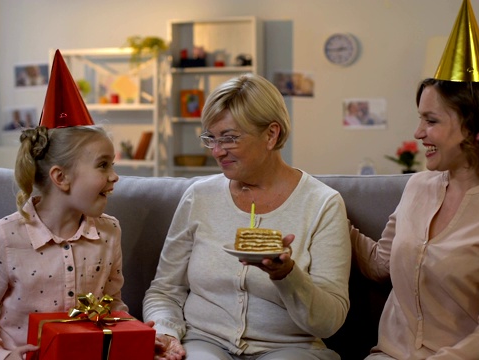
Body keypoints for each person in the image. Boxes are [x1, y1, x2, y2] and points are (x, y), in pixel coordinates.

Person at [350, 1, 479, 359]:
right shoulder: (417, 186)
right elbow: (380, 264)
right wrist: (323, 210)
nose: (418, 132)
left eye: (431, 121)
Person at [143, 73, 351, 360]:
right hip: (205, 342)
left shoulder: (322, 204)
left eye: (229, 138)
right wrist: (165, 331)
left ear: (271, 134)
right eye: (211, 138)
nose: (216, 151)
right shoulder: (199, 196)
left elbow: (329, 322)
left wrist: (288, 276)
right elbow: (165, 290)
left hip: (289, 349)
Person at [0, 50, 127, 360]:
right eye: (103, 165)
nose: (114, 177)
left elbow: (111, 306)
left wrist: (136, 336)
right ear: (61, 177)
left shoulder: (110, 232)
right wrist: (0, 357)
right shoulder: (4, 238)